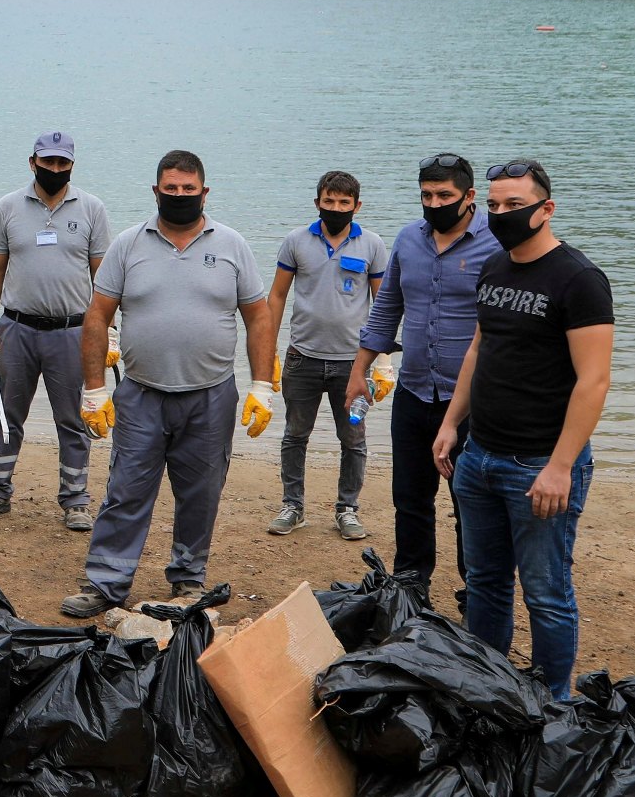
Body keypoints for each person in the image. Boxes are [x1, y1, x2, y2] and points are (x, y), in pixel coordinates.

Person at [67, 151, 275, 617]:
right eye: (171, 188)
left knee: (200, 494)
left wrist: (263, 384)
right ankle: (106, 582)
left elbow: (259, 316)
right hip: (140, 392)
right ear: (156, 190)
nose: (179, 196)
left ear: (204, 191)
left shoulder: (233, 245)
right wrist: (94, 387)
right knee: (126, 489)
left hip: (211, 395)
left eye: (188, 189)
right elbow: (97, 316)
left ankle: (187, 581)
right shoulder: (126, 245)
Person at [434, 158, 613, 700]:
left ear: (546, 208)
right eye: (492, 205)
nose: (501, 214)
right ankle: (489, 689)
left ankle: (553, 701)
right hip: (480, 456)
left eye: (514, 205)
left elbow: (594, 381)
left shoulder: (579, 280)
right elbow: (478, 350)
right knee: (484, 584)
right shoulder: (494, 268)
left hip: (539, 465)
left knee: (545, 592)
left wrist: (561, 467)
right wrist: (450, 425)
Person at [349, 153, 499, 599]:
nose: (434, 203)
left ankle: (476, 593)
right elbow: (385, 310)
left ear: (470, 197)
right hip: (414, 392)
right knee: (410, 501)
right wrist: (359, 372)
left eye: (444, 195)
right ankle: (411, 589)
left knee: (470, 503)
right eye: (426, 195)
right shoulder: (408, 240)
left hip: (473, 400)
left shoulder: (496, 243)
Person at [0, 132, 110, 532]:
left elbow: (104, 276)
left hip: (73, 331)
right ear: (32, 162)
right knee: (5, 413)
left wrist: (110, 332)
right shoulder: (8, 207)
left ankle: (76, 499)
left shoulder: (92, 209)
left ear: (71, 166)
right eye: (47, 162)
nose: (54, 170)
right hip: (16, 328)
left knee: (74, 418)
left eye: (62, 163)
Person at [263, 171, 390, 541]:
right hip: (302, 357)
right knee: (294, 435)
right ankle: (293, 506)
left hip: (354, 364)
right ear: (317, 202)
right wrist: (267, 350)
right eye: (329, 201)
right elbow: (277, 297)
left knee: (353, 439)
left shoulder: (373, 245)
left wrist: (382, 360)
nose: (336, 208)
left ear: (357, 206)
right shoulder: (296, 242)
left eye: (344, 203)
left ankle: (347, 509)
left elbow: (383, 304)